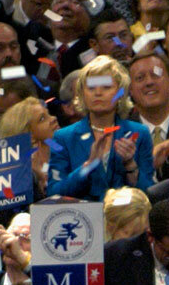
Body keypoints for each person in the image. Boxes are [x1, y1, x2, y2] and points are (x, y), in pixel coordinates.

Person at [47, 55, 154, 200]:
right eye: (91, 87)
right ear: (82, 94)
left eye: (106, 87)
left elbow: (149, 193)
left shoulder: (140, 133)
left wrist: (130, 165)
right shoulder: (63, 138)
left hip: (127, 217)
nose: (98, 93)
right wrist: (88, 166)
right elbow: (54, 194)